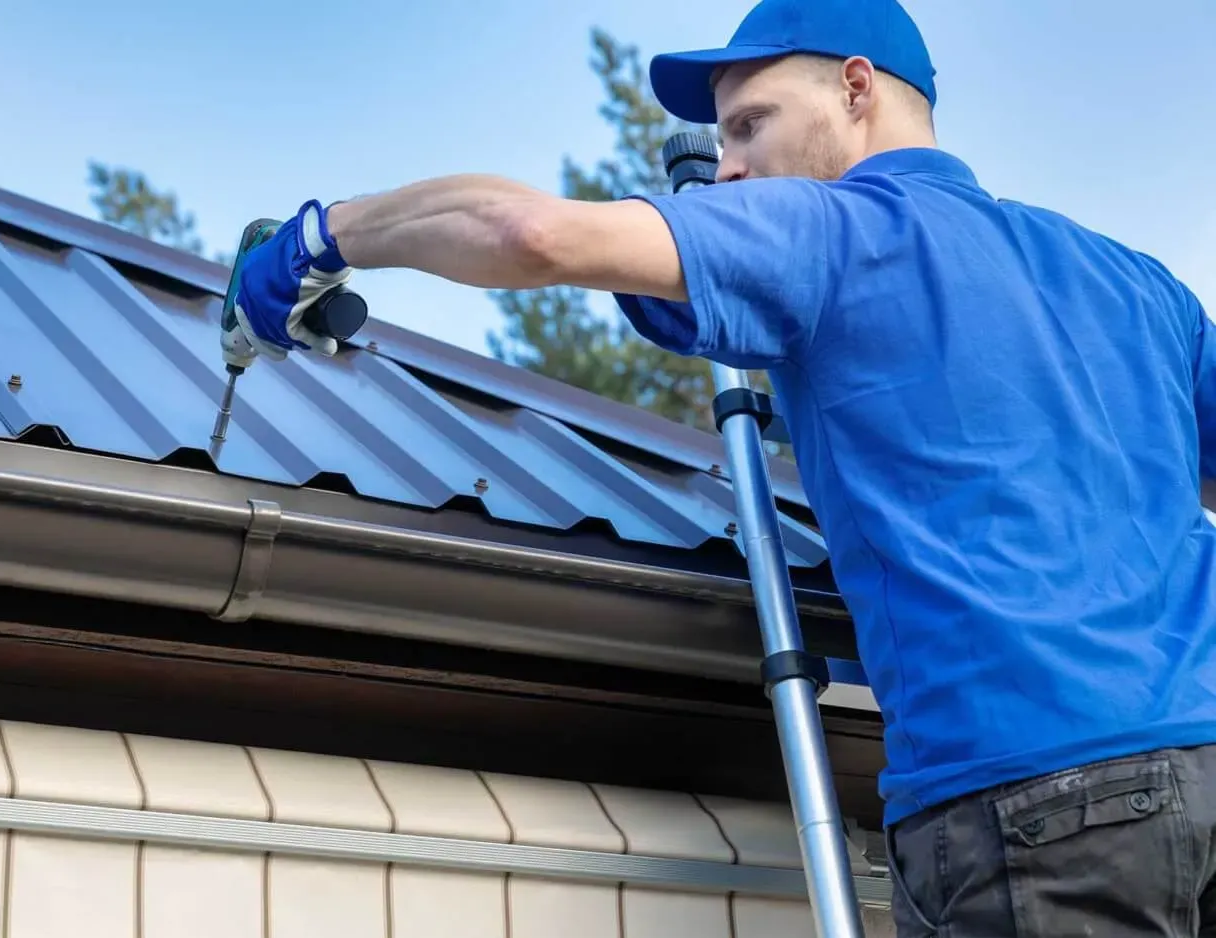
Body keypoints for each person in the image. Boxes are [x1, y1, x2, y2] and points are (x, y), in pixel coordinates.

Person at [228, 0, 1216, 933]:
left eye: (750, 126)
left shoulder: (830, 232)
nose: (731, 168)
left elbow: (529, 233)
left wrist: (322, 238)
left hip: (1036, 801)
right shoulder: (1131, 281)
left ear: (857, 90)